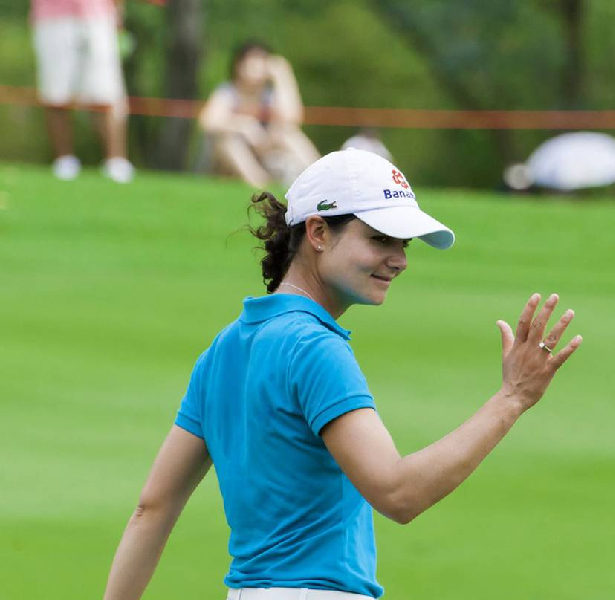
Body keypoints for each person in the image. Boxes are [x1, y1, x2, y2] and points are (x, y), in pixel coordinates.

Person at [102, 149, 583, 600]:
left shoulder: (224, 348)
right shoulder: (315, 348)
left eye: (403, 243)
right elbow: (398, 493)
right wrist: (513, 397)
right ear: (317, 233)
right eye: (379, 239)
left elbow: (152, 509)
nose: (399, 259)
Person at [30, 0, 134, 183]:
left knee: (105, 92)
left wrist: (119, 9)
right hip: (51, 15)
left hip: (98, 14)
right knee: (56, 93)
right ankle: (64, 161)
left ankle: (116, 163)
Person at [199, 41, 320, 188]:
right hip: (227, 159)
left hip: (264, 151)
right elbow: (207, 122)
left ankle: (319, 177)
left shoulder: (269, 95)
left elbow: (292, 119)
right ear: (239, 66)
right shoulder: (228, 92)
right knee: (229, 142)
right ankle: (259, 183)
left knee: (288, 133)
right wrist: (242, 125)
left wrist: (283, 78)